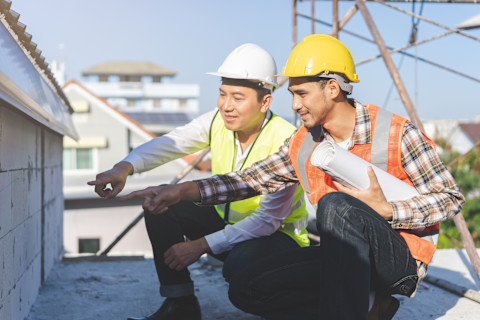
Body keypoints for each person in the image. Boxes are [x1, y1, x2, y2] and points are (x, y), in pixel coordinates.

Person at [120, 34, 465, 320]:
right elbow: (249, 180)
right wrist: (181, 192)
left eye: (302, 94)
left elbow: (451, 199)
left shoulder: (395, 132)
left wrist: (388, 209)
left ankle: (373, 301)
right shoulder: (304, 142)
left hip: (397, 261)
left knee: (335, 205)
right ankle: (372, 308)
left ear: (332, 88)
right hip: (342, 258)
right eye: (292, 95)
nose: (295, 105)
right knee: (246, 286)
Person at [88, 43, 309, 320]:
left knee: (239, 268)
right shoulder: (218, 121)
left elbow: (267, 221)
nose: (226, 106)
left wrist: (201, 245)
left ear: (264, 102)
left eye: (238, 98)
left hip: (276, 239)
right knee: (160, 205)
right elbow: (173, 141)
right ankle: (179, 306)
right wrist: (124, 167)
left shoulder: (286, 139)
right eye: (222, 94)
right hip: (230, 228)